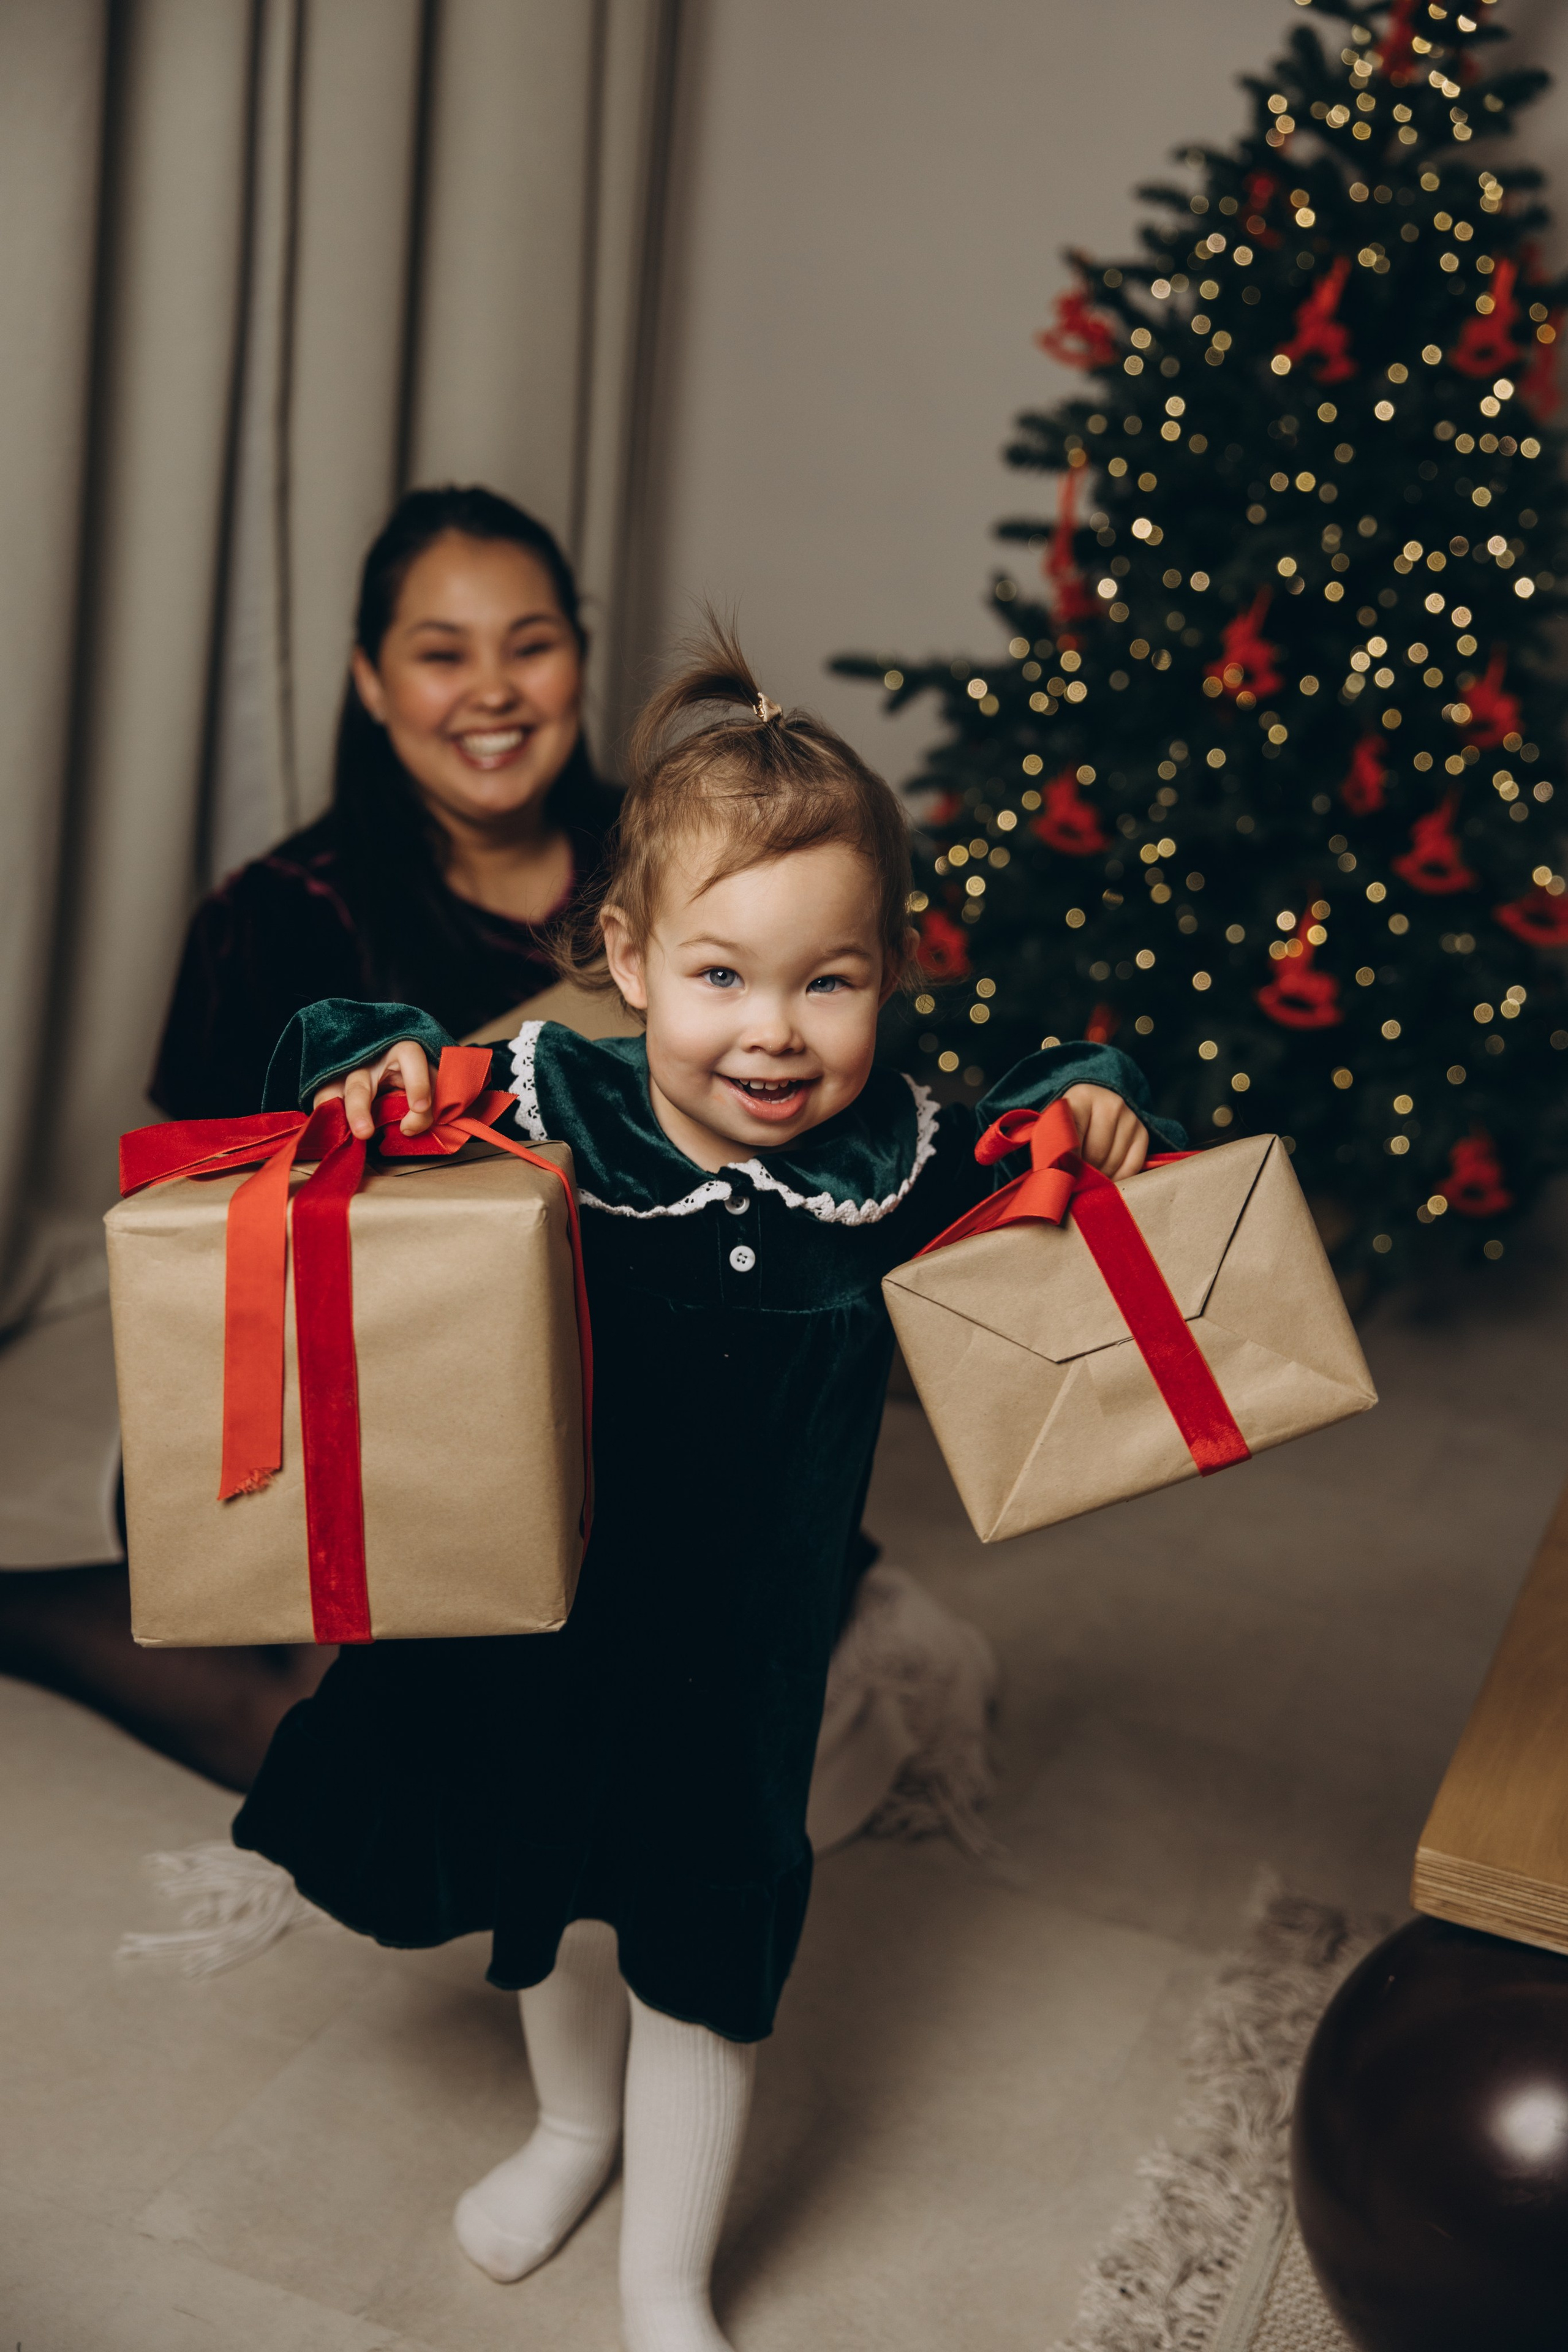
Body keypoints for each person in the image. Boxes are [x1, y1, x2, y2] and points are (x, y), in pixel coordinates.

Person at [231, 626, 1180, 2351]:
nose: (773, 1032)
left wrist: (1097, 1100)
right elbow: (352, 1049)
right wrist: (361, 1054)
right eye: (721, 976)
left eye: (829, 980)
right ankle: (570, 2131)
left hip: (742, 1664)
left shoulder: (890, 1154)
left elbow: (1047, 1116)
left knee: (703, 1946)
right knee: (554, 1900)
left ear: (890, 975)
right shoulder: (551, 1100)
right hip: (540, 1609)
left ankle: (670, 2275)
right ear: (627, 959)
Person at [0, 489, 620, 1790]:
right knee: (356, 1752)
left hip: (623, 1380)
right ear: (370, 679)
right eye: (441, 653)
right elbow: (228, 1271)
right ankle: (20, 1607)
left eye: (531, 642)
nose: (493, 692)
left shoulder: (670, 876)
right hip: (341, 1402)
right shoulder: (278, 919)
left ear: (580, 651)